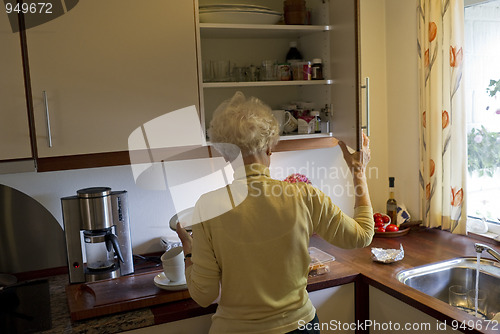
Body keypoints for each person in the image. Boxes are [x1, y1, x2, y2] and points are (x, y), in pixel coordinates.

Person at [176, 91, 374, 333]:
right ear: (270, 148)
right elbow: (362, 234)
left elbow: (204, 295)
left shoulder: (208, 207)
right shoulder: (304, 196)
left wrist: (189, 254)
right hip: (300, 327)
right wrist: (358, 171)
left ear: (224, 155)